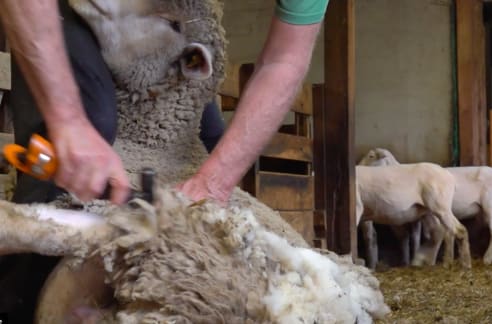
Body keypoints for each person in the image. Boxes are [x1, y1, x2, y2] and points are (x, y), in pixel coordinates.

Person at [0, 0, 328, 321]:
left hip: (161, 53)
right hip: (62, 14)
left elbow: (284, 59)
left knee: (213, 138)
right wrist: (67, 119)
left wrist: (214, 183)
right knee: (92, 121)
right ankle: (16, 301)